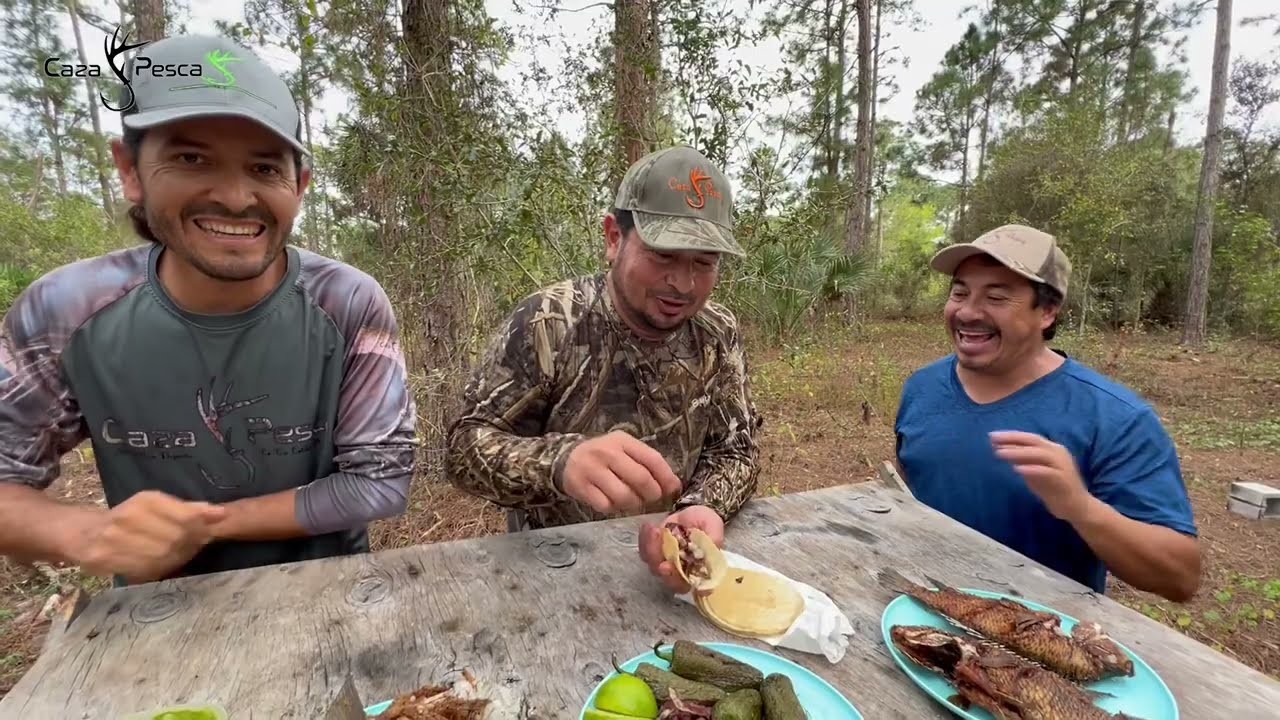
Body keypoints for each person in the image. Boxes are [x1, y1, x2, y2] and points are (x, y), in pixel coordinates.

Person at [0, 35, 417, 586]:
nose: (236, 197)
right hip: (160, 611)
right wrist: (90, 536)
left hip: (330, 595)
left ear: (301, 184)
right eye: (191, 158)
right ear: (130, 170)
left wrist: (209, 526)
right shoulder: (65, 311)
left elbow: (380, 481)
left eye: (265, 168)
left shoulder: (347, 303)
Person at [446, 145, 762, 593]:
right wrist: (559, 462)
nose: (683, 284)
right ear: (614, 238)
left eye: (704, 263)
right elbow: (463, 447)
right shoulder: (549, 322)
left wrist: (702, 508)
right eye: (664, 255)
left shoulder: (716, 331)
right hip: (555, 568)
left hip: (672, 575)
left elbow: (736, 450)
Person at [893, 224, 1201, 602]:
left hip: (1035, 640)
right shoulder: (923, 388)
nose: (968, 312)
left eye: (996, 297)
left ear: (1048, 312)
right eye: (960, 292)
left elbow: (1180, 578)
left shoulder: (1115, 419)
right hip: (916, 610)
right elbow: (916, 483)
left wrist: (1081, 507)